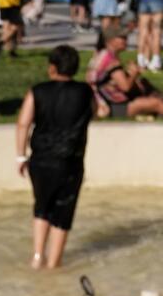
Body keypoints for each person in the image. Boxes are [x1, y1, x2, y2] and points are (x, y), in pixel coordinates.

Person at [16, 46, 104, 270]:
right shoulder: (84, 92)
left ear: (52, 67)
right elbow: (98, 111)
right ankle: (54, 263)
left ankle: (37, 257)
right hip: (70, 162)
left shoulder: (37, 91)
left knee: (42, 206)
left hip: (41, 161)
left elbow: (23, 123)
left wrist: (20, 156)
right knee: (63, 212)